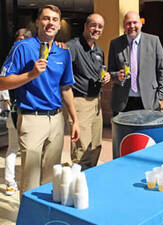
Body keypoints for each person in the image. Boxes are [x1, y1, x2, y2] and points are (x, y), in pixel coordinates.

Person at [0, 5, 80, 196]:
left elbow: (66, 88)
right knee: (30, 180)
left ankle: (45, 221)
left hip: (56, 120)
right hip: (32, 118)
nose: (50, 23)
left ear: (59, 26)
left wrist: (74, 120)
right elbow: (2, 83)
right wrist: (31, 74)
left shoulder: (63, 52)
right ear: (37, 22)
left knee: (51, 178)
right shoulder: (23, 47)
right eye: (45, 18)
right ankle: (29, 224)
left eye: (54, 20)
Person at [64, 13, 110, 170]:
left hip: (96, 103)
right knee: (81, 149)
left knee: (96, 145)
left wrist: (107, 76)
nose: (96, 29)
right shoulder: (73, 47)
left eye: (100, 27)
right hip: (79, 102)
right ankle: (76, 185)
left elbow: (99, 73)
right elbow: (61, 74)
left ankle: (89, 180)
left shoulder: (99, 51)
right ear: (85, 26)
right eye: (93, 25)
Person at [108, 11, 163, 115]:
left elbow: (162, 69)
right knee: (125, 131)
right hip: (123, 101)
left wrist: (160, 96)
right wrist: (117, 76)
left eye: (135, 22)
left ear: (141, 23)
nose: (132, 26)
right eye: (128, 23)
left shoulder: (154, 41)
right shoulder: (115, 44)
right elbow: (111, 71)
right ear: (124, 25)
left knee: (147, 131)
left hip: (148, 100)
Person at [2, 28, 32, 196]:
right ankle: (10, 182)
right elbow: (4, 82)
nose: (18, 44)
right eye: (17, 40)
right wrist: (7, 102)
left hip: (28, 111)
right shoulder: (13, 59)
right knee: (14, 148)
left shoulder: (29, 59)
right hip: (14, 111)